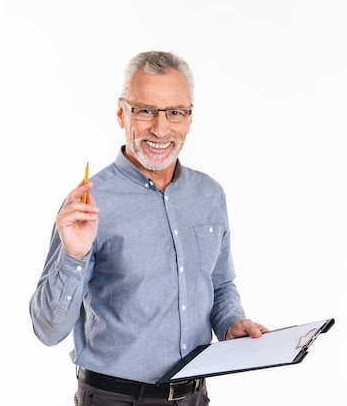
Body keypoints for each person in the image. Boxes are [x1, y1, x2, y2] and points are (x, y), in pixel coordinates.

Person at [30, 51, 268, 405]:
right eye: (145, 111)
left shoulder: (209, 194)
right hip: (115, 398)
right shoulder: (89, 203)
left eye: (174, 112)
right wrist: (74, 256)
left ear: (188, 118)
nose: (160, 129)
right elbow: (48, 330)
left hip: (195, 396)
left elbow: (219, 284)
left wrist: (230, 323)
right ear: (121, 113)